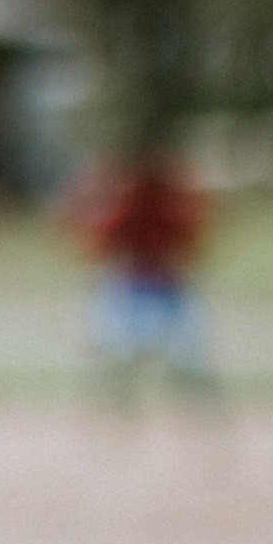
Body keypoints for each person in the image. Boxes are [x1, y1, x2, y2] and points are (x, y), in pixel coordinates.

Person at [68, 146, 219, 407]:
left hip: (156, 289)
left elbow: (97, 245)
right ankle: (116, 409)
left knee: (179, 361)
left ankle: (119, 409)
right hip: (142, 289)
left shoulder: (142, 208)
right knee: (125, 359)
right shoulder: (141, 208)